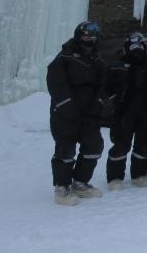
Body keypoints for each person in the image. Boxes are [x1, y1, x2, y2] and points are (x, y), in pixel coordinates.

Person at [46, 21, 106, 206]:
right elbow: (56, 84)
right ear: (79, 36)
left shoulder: (96, 60)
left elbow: (102, 85)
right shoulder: (64, 58)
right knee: (65, 149)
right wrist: (66, 107)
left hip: (88, 113)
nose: (89, 40)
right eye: (86, 36)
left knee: (94, 146)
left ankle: (80, 182)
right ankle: (62, 188)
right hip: (65, 113)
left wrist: (99, 102)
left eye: (93, 37)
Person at [104, 32, 147, 190]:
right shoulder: (118, 65)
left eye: (141, 46)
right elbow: (107, 86)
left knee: (145, 144)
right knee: (120, 144)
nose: (138, 49)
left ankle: (139, 175)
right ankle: (115, 177)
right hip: (124, 112)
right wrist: (115, 98)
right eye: (134, 46)